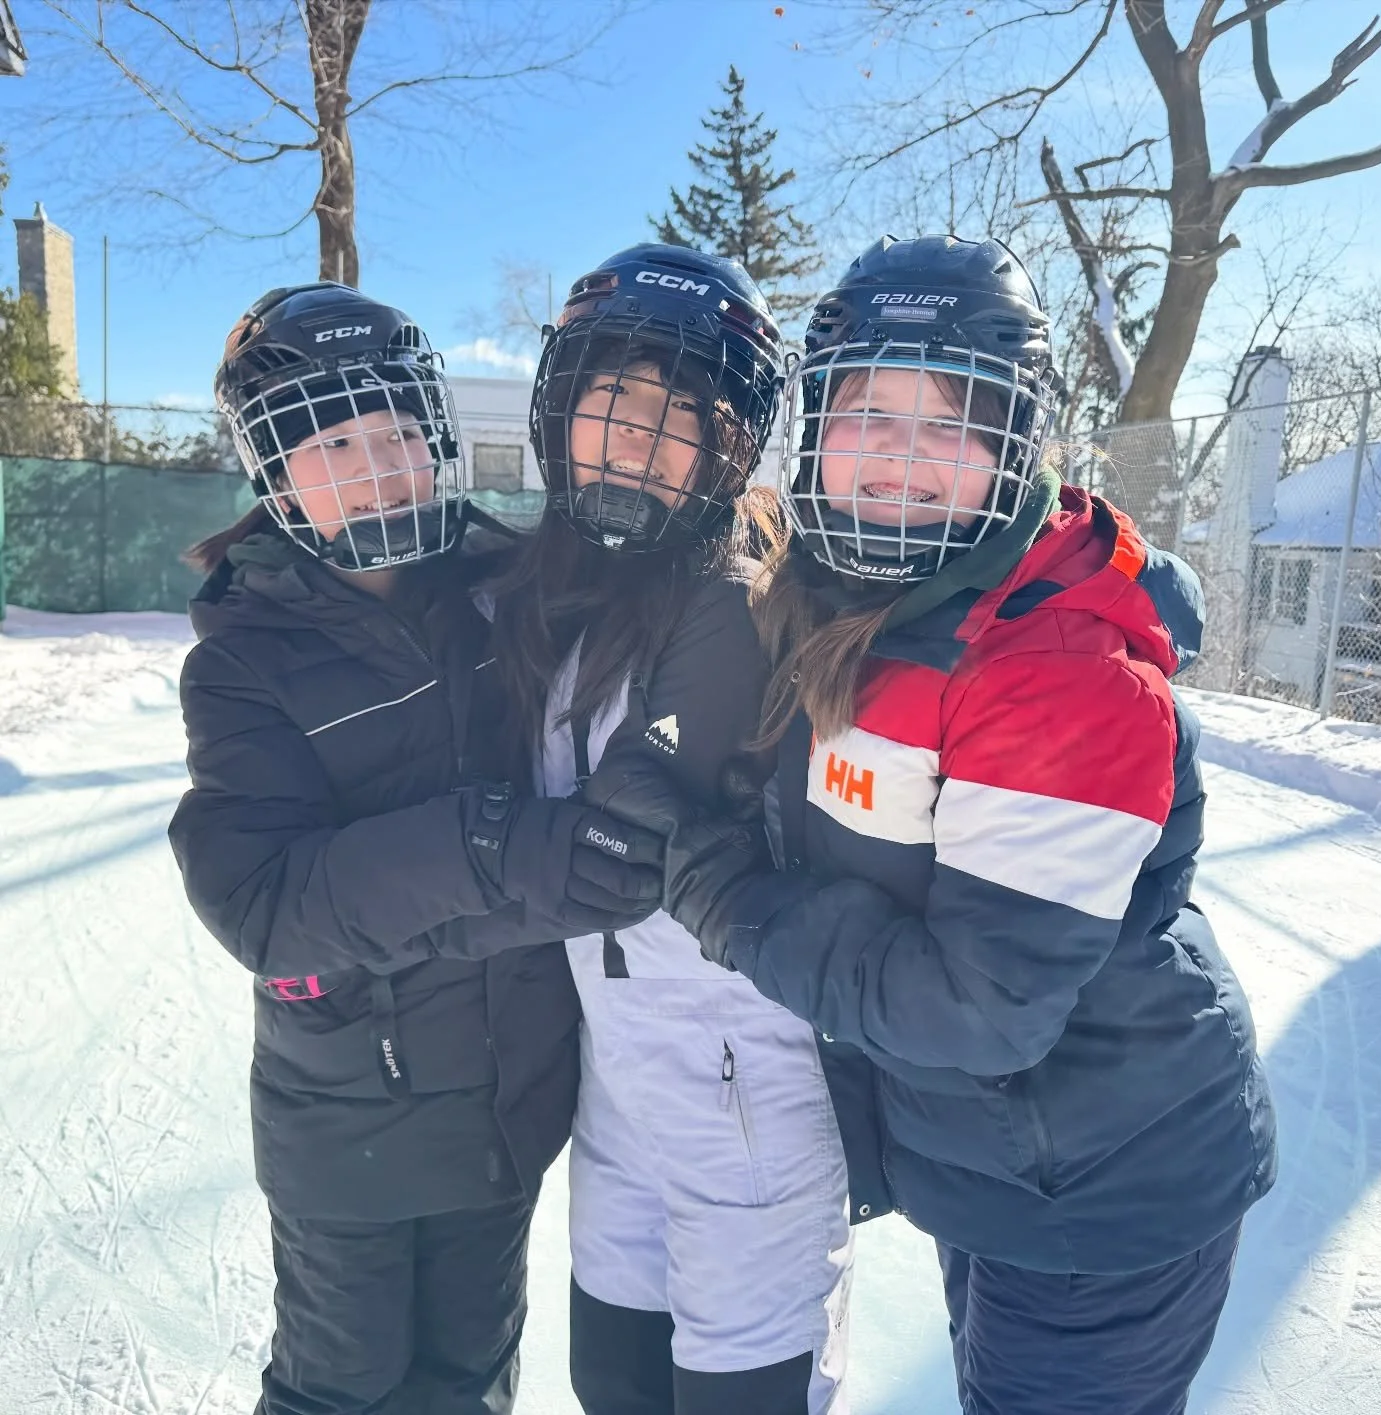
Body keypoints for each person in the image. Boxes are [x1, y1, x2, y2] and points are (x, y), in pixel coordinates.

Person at [584, 235, 1280, 1415]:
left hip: (1106, 1193)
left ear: (1020, 448)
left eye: (954, 422)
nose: (902, 457)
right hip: (1003, 1172)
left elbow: (979, 1003)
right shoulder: (874, 595)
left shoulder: (1059, 665)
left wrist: (731, 900)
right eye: (869, 415)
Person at [168, 281, 664, 1415]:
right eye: (334, 441)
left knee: (469, 1381)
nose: (377, 465)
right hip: (352, 1121)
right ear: (275, 470)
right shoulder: (244, 656)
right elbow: (270, 901)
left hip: (506, 1105)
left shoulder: (509, 591)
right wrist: (501, 850)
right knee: (340, 1386)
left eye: (396, 431)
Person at [483, 243, 853, 1415]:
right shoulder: (577, 585)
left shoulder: (734, 597)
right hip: (622, 1091)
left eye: (675, 412)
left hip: (743, 1101)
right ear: (566, 409)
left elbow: (620, 838)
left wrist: (445, 862)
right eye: (617, 396)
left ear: (728, 446)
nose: (637, 435)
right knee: (615, 1383)